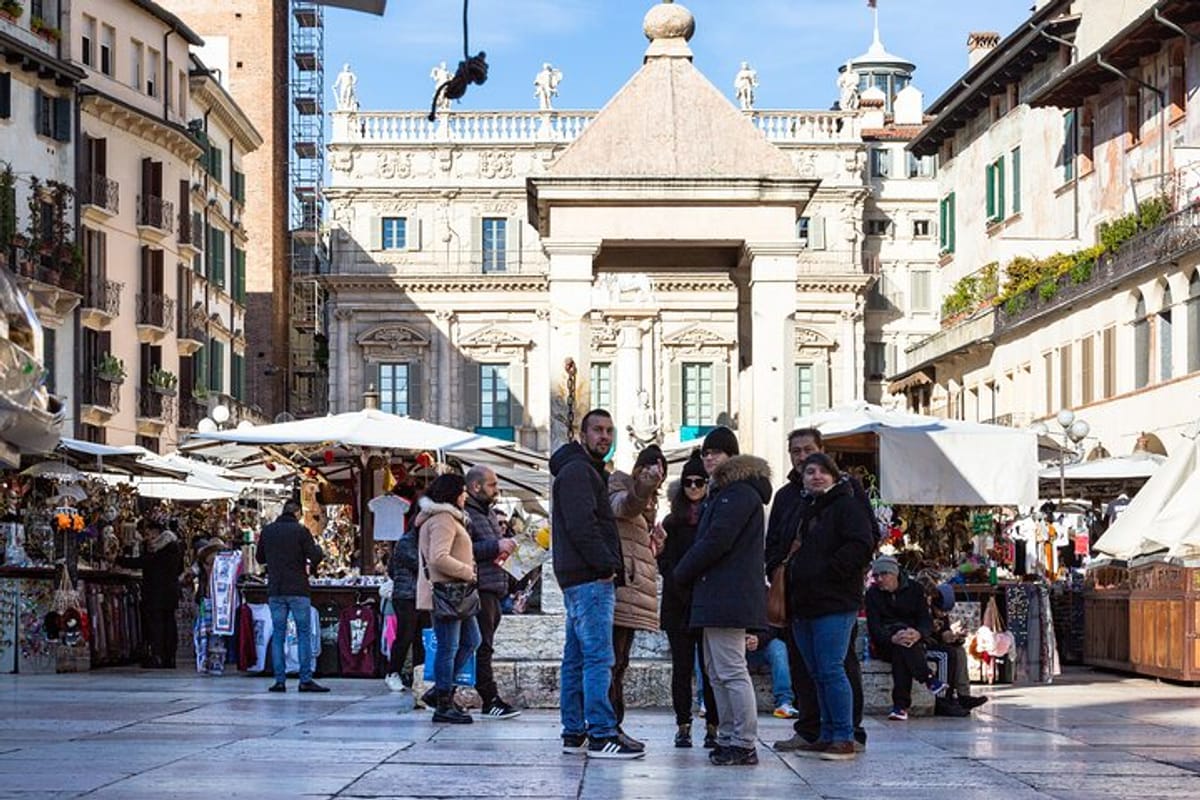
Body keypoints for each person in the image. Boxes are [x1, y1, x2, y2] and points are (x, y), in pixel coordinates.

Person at [673, 426, 771, 767]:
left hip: (730, 595)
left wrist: (682, 571)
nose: (709, 457)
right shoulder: (724, 493)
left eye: (716, 451)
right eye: (706, 452)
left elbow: (717, 540)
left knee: (730, 670)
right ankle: (728, 736)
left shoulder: (738, 493)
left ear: (732, 455)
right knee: (716, 672)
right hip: (717, 595)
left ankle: (744, 742)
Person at [550, 408, 644, 759]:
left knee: (576, 659)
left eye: (608, 431)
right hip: (589, 578)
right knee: (598, 658)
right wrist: (605, 564)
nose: (604, 437)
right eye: (597, 430)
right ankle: (602, 733)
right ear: (583, 434)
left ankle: (574, 731)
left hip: (579, 577)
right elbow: (582, 524)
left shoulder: (582, 470)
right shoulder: (578, 472)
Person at [768, 428, 869, 752]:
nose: (803, 459)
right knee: (809, 669)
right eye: (796, 452)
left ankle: (847, 732)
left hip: (834, 599)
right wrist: (780, 572)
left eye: (809, 451)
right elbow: (775, 541)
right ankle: (816, 731)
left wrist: (831, 572)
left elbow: (863, 541)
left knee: (834, 667)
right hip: (800, 600)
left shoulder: (848, 495)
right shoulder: (789, 497)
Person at [658, 453, 719, 749]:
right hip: (677, 601)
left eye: (699, 482)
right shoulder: (671, 522)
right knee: (681, 668)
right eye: (688, 482)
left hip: (706, 601)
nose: (693, 487)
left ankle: (713, 726)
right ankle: (683, 725)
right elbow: (664, 562)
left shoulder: (714, 518)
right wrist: (678, 581)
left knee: (710, 669)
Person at [608, 444, 666, 743]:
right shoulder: (620, 485)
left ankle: (611, 723)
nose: (655, 475)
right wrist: (644, 486)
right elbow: (624, 506)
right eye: (649, 469)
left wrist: (655, 545)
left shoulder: (649, 504)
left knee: (620, 662)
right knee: (612, 662)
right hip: (622, 590)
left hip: (633, 591)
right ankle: (608, 725)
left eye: (660, 472)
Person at [415, 473, 481, 725]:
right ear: (452, 494)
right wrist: (468, 571)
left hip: (458, 594)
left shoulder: (448, 518)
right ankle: (443, 702)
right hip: (447, 593)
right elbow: (438, 557)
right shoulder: (443, 519)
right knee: (448, 647)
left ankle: (440, 690)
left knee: (471, 640)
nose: (465, 495)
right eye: (462, 491)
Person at [463, 465, 520, 720]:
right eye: (492, 485)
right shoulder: (467, 514)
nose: (496, 490)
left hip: (495, 587)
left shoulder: (486, 513)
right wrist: (497, 545)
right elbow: (464, 549)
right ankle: (489, 699)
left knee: (476, 645)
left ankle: (441, 691)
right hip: (480, 588)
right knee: (481, 646)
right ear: (476, 487)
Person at [865, 555, 949, 722]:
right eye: (876, 576)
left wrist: (918, 633)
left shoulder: (915, 590)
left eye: (884, 574)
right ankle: (928, 679)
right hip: (885, 643)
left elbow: (925, 620)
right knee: (901, 641)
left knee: (902, 650)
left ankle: (900, 708)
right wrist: (892, 638)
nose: (879, 579)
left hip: (912, 640)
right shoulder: (872, 594)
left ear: (895, 574)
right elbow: (875, 627)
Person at [256, 499, 328, 693]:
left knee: (278, 634)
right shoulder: (301, 531)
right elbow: (314, 556)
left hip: (276, 589)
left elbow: (259, 558)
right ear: (297, 513)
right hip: (298, 589)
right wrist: (318, 550)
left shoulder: (268, 531)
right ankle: (305, 680)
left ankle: (279, 680)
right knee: (303, 633)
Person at [917, 572, 988, 715]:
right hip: (922, 645)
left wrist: (955, 637)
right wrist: (934, 630)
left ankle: (963, 695)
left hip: (935, 643)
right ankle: (944, 698)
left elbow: (944, 632)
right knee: (946, 654)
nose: (942, 614)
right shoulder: (921, 608)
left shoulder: (940, 613)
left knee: (959, 651)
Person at [117, 519, 182, 668]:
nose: (147, 538)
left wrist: (119, 560)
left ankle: (158, 656)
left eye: (148, 534)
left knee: (156, 625)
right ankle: (169, 657)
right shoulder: (174, 546)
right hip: (169, 592)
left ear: (156, 532)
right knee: (168, 623)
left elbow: (144, 562)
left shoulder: (161, 548)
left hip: (156, 592)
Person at [384, 489, 425, 699]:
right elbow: (419, 565)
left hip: (420, 595)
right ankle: (393, 672)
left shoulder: (415, 540)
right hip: (407, 595)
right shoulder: (408, 541)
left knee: (420, 638)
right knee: (405, 635)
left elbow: (392, 569)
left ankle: (419, 675)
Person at [745, 627, 798, 719]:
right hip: (733, 642)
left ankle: (784, 703)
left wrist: (758, 638)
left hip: (764, 641)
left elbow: (776, 626)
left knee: (779, 647)